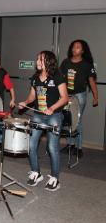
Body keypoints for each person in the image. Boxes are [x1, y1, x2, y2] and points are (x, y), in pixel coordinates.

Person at [18, 51, 68, 191]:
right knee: (31, 145)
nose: (37, 61)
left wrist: (52, 108)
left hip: (54, 116)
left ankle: (54, 178)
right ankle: (36, 172)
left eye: (40, 59)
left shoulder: (57, 76)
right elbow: (32, 97)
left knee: (52, 148)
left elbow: (64, 98)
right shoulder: (35, 78)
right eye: (37, 59)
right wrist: (25, 102)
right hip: (38, 115)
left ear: (48, 61)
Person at [59, 40, 98, 158]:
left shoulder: (86, 65)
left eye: (78, 47)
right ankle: (70, 145)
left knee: (78, 121)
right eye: (73, 47)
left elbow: (92, 81)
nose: (74, 49)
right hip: (67, 95)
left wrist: (96, 97)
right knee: (68, 120)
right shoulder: (65, 62)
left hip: (80, 95)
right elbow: (60, 78)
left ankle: (78, 148)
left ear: (82, 51)